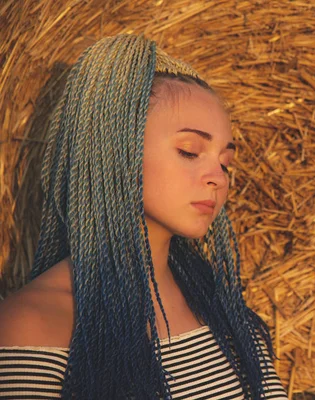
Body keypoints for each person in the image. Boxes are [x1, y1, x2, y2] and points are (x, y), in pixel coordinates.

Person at [0, 34, 288, 399]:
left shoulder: (225, 314)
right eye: (189, 151)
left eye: (225, 161)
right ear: (116, 151)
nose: (218, 176)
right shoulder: (29, 329)